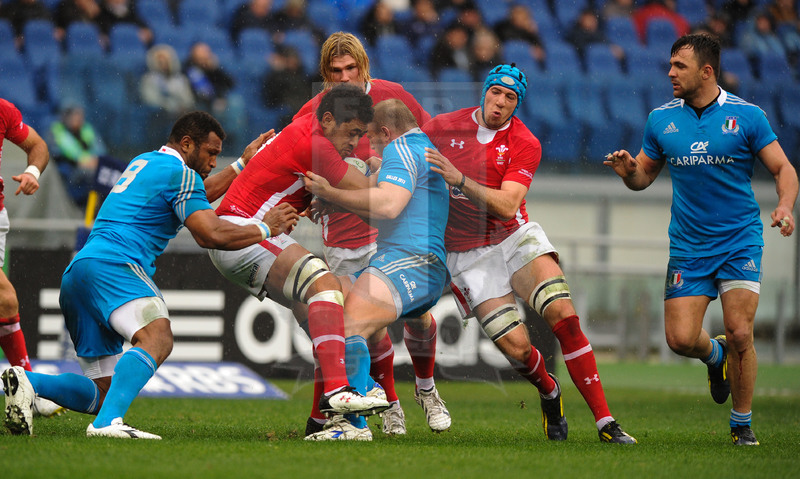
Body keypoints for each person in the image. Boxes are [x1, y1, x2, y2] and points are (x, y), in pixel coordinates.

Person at [2, 111, 300, 439]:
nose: (214, 162)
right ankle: (106, 426)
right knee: (158, 338)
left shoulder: (146, 162)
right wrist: (265, 227)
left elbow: (197, 193)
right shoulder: (180, 176)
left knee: (103, 391)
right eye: (211, 153)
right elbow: (209, 234)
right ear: (187, 144)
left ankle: (30, 381)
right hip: (116, 266)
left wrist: (241, 164)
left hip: (80, 272)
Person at [423, 64, 637, 444]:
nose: (501, 102)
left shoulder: (525, 142)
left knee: (564, 317)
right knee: (519, 350)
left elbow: (506, 205)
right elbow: (402, 162)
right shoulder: (442, 127)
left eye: (510, 98)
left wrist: (458, 178)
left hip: (514, 237)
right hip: (468, 254)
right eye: (496, 92)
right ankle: (549, 391)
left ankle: (606, 423)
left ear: (516, 105)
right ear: (484, 91)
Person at [605, 33, 798, 446]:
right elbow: (644, 177)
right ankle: (716, 356)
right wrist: (628, 171)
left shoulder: (748, 116)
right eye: (671, 65)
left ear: (707, 71)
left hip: (739, 240)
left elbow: (784, 169)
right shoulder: (661, 119)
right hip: (689, 247)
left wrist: (784, 206)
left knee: (740, 332)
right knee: (679, 339)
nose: (670, 73)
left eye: (680, 66)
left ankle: (741, 424)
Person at [208, 84, 391, 434]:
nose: (354, 143)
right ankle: (340, 391)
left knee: (330, 322)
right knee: (324, 282)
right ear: (327, 119)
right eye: (351, 133)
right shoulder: (317, 144)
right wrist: (393, 166)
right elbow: (372, 193)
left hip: (244, 235)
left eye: (360, 135)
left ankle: (322, 423)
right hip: (245, 232)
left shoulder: (306, 127)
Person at [292, 32, 447, 438]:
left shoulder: (393, 98)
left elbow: (429, 148)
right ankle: (387, 404)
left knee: (417, 315)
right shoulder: (314, 112)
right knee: (364, 328)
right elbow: (298, 163)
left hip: (393, 233)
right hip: (343, 238)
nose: (344, 77)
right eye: (335, 71)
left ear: (364, 66)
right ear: (325, 76)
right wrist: (305, 201)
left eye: (351, 68)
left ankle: (426, 389)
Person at [0, 98, 64, 419]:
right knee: (6, 297)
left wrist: (31, 170)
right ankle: (31, 393)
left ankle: (28, 391)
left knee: (5, 304)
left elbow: (38, 145)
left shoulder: (3, 110)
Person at [47, 104, 108, 208]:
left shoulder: (87, 129)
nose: (79, 118)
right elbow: (57, 153)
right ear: (66, 117)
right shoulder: (56, 131)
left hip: (90, 167)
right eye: (75, 115)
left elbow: (100, 150)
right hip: (69, 170)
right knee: (93, 175)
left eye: (80, 115)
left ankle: (102, 210)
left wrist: (94, 160)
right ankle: (90, 212)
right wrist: (80, 161)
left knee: (107, 173)